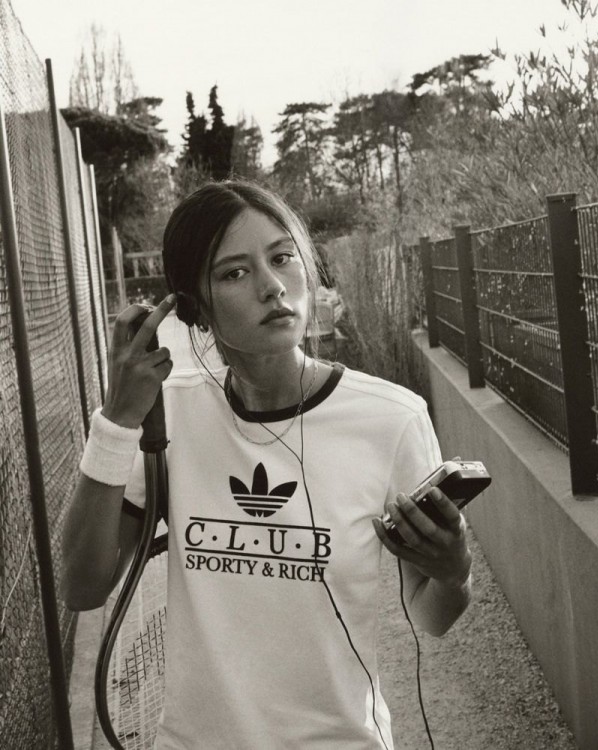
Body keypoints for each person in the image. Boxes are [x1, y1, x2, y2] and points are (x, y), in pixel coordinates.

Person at [61, 180, 472, 750]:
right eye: (235, 272)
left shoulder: (392, 419)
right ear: (193, 308)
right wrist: (116, 421)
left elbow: (432, 616)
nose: (273, 286)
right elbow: (82, 587)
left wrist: (453, 572)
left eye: (282, 258)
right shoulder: (168, 414)